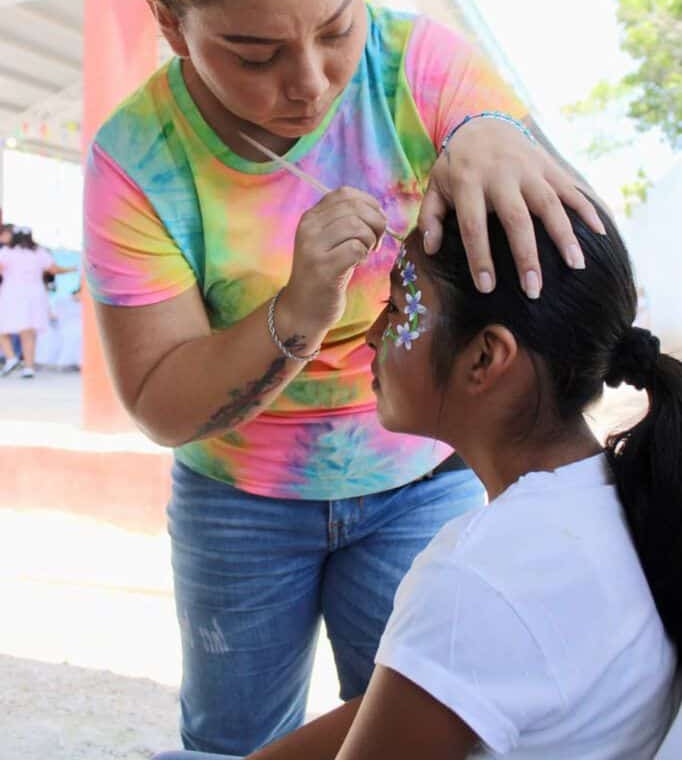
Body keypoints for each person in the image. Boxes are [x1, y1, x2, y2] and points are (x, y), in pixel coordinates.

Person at [85, 0, 606, 755]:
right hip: (237, 497)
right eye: (252, 52)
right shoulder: (139, 156)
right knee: (233, 737)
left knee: (417, 728)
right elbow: (159, 399)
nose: (310, 83)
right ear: (168, 26)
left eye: (337, 27)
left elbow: (570, 245)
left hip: (417, 478)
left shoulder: (419, 67)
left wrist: (498, 135)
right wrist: (295, 313)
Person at [153, 201, 681, 759]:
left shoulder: (477, 573)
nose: (371, 336)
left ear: (484, 358)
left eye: (398, 309)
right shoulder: (619, 496)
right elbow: (425, 689)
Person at [0, 227, 76, 378]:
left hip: (12, 293)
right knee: (28, 332)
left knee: (3, 327)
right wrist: (71, 269)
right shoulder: (39, 252)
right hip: (35, 294)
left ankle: (11, 357)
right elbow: (53, 269)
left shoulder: (8, 252)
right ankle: (29, 367)